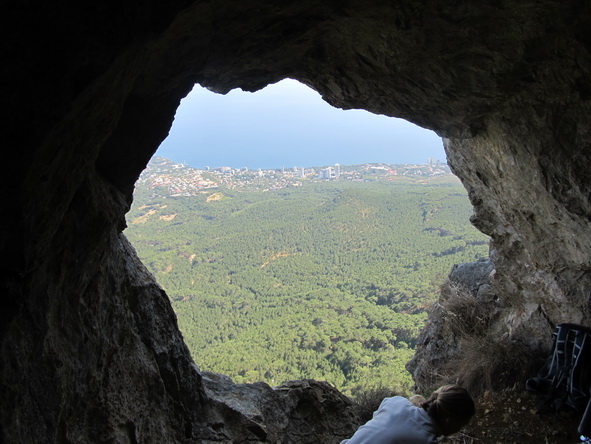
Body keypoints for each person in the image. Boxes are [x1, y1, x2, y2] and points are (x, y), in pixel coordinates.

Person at [341, 385, 476, 444]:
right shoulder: (426, 441)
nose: (460, 430)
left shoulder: (395, 402)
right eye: (462, 424)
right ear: (449, 421)